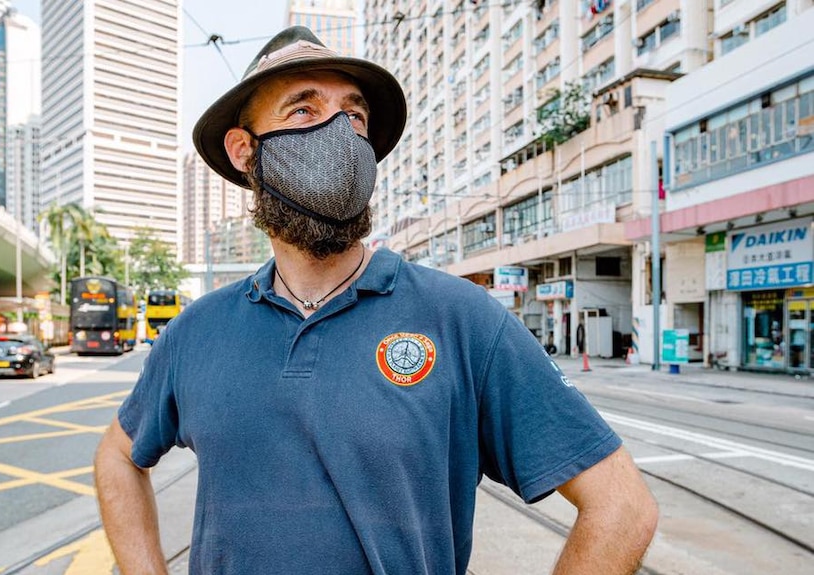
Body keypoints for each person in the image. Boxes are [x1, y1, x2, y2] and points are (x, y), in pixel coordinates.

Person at [94, 26, 658, 575]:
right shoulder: (196, 330)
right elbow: (117, 457)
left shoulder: (463, 319)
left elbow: (621, 506)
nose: (339, 133)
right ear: (244, 150)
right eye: (304, 111)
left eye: (355, 115)